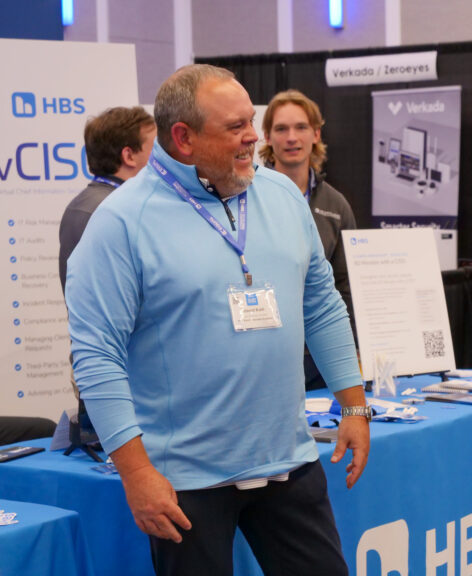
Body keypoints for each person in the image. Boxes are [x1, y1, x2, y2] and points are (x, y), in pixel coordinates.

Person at [65, 64, 369, 576]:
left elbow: (321, 304)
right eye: (236, 127)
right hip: (185, 481)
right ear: (183, 138)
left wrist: (354, 406)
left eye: (251, 121)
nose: (255, 136)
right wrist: (135, 473)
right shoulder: (121, 222)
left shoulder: (281, 195)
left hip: (288, 461)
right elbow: (96, 355)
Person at [260, 90, 357, 390]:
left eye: (301, 127)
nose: (291, 137)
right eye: (281, 129)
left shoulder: (336, 205)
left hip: (319, 355)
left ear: (316, 134)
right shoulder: (247, 197)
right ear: (267, 137)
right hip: (264, 351)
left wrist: (351, 347)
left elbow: (346, 285)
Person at [58, 106, 156, 294]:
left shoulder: (81, 205)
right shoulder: (116, 211)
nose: (164, 157)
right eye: (156, 149)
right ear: (129, 156)